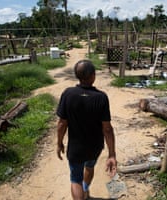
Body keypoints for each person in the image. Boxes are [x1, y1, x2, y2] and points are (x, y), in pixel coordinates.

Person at [56, 59, 117, 200]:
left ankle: (81, 194)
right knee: (89, 168)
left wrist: (59, 143)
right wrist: (112, 154)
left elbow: (61, 124)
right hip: (94, 147)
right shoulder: (101, 97)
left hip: (76, 148)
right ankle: (85, 192)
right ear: (93, 76)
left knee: (75, 179)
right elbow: (107, 129)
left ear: (77, 76)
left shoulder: (68, 94)